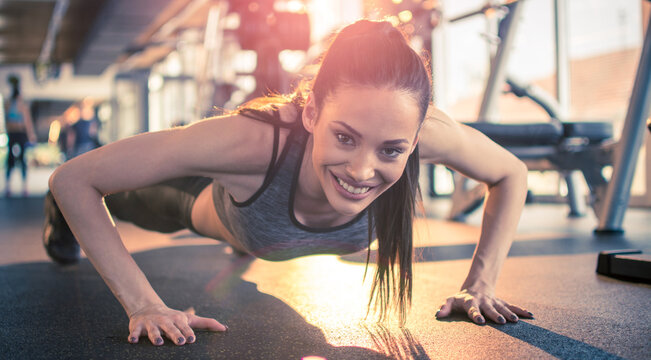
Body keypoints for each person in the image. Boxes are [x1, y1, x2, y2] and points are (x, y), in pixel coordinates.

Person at [44, 20, 532, 347]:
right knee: (118, 200)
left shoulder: (428, 134)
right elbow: (75, 178)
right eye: (345, 137)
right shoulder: (253, 142)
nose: (363, 171)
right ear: (313, 112)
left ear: (417, 134)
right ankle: (57, 224)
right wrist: (145, 305)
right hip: (196, 200)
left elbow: (511, 173)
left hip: (257, 234)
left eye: (390, 150)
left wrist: (480, 283)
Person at [4, 74, 36, 197]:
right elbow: (24, 121)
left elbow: (27, 121)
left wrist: (30, 134)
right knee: (12, 160)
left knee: (20, 160)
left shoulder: (20, 104)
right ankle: (11, 186)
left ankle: (23, 186)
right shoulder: (11, 104)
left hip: (18, 133)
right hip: (14, 133)